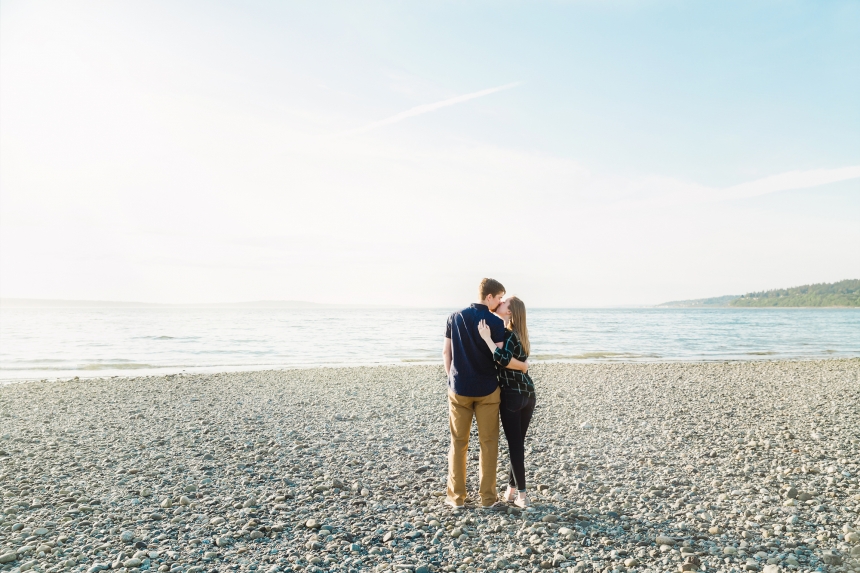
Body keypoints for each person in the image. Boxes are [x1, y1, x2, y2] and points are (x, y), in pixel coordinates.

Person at [443, 278, 523, 510]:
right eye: (499, 298)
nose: (499, 302)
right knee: (488, 443)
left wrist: (452, 379)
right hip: (488, 389)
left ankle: (456, 498)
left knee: (458, 443)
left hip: (459, 388)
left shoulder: (454, 317)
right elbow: (499, 358)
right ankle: (487, 499)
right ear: (489, 297)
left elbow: (446, 352)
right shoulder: (494, 322)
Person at [477, 296, 535, 508]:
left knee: (515, 446)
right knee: (517, 444)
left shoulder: (508, 335)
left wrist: (486, 338)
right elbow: (520, 363)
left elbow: (501, 358)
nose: (500, 304)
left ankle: (522, 496)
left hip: (512, 395)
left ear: (509, 312)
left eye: (504, 303)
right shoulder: (521, 334)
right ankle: (511, 491)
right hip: (528, 394)